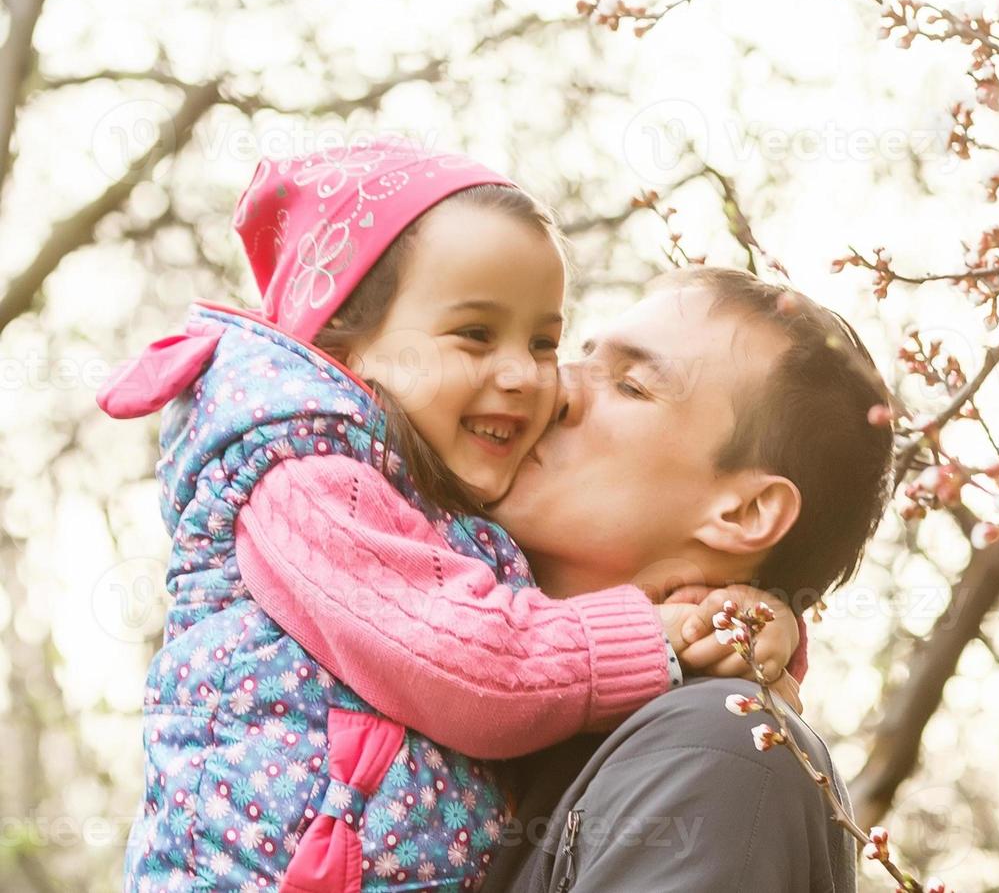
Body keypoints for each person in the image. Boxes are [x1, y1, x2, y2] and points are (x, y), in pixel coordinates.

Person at [97, 140, 804, 893]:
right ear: (344, 343)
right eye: (474, 334)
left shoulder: (433, 511)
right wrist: (661, 640)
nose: (530, 378)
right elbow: (479, 664)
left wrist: (730, 622)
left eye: (541, 341)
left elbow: (543, 627)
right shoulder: (304, 482)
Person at [241, 267, 897, 891]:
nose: (549, 386)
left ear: (744, 512)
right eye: (575, 353)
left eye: (631, 385)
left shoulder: (718, 751)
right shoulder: (451, 719)